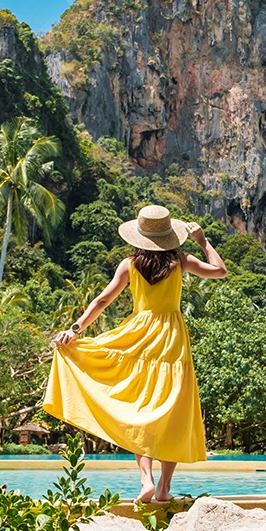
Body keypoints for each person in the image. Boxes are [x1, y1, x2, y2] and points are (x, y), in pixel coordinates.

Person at [44, 205, 228, 503]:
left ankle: (146, 480)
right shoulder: (182, 261)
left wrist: (75, 330)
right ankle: (165, 487)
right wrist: (204, 242)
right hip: (172, 340)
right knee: (174, 412)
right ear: (170, 236)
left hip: (137, 338)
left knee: (137, 408)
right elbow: (220, 271)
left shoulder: (129, 264)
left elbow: (103, 300)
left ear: (139, 236)